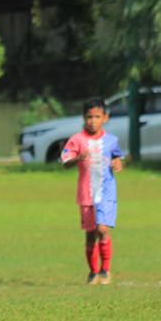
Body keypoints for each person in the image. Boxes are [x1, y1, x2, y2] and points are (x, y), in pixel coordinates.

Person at [60, 98, 123, 285]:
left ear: (105, 118)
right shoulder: (77, 140)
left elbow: (117, 155)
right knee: (90, 234)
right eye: (89, 117)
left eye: (97, 117)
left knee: (102, 229)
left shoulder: (111, 140)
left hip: (106, 192)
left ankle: (105, 270)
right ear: (83, 118)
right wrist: (77, 158)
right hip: (86, 194)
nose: (92, 121)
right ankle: (93, 271)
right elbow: (65, 162)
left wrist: (118, 162)